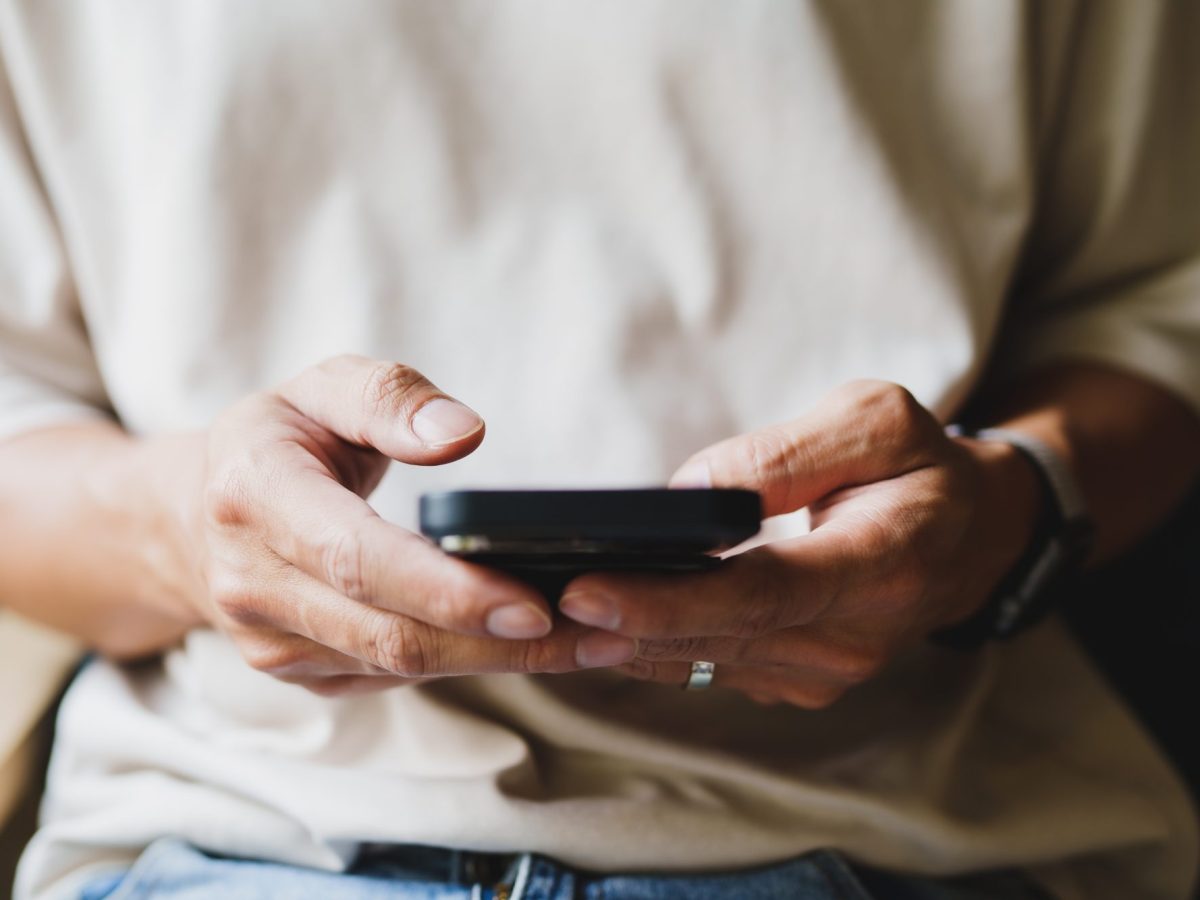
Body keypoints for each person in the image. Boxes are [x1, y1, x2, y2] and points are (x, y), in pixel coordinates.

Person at [1, 3, 1198, 898]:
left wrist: (1002, 514)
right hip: (247, 834)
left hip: (894, 832)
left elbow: (1154, 316)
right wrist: (194, 534)